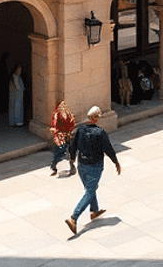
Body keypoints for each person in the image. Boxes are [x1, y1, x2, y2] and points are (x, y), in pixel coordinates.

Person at [65, 105, 121, 236]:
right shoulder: (100, 132)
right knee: (90, 191)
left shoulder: (80, 130)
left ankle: (94, 210)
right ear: (97, 118)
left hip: (82, 164)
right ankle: (74, 217)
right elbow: (108, 148)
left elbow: (73, 145)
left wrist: (72, 158)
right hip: (94, 165)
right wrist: (115, 161)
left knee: (90, 188)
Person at [49, 99, 76, 176]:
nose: (63, 107)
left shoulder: (69, 115)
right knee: (59, 151)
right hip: (60, 136)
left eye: (64, 106)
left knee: (71, 151)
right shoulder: (56, 115)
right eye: (62, 106)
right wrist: (55, 130)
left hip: (68, 135)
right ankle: (54, 166)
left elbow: (72, 123)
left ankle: (71, 166)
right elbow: (54, 124)